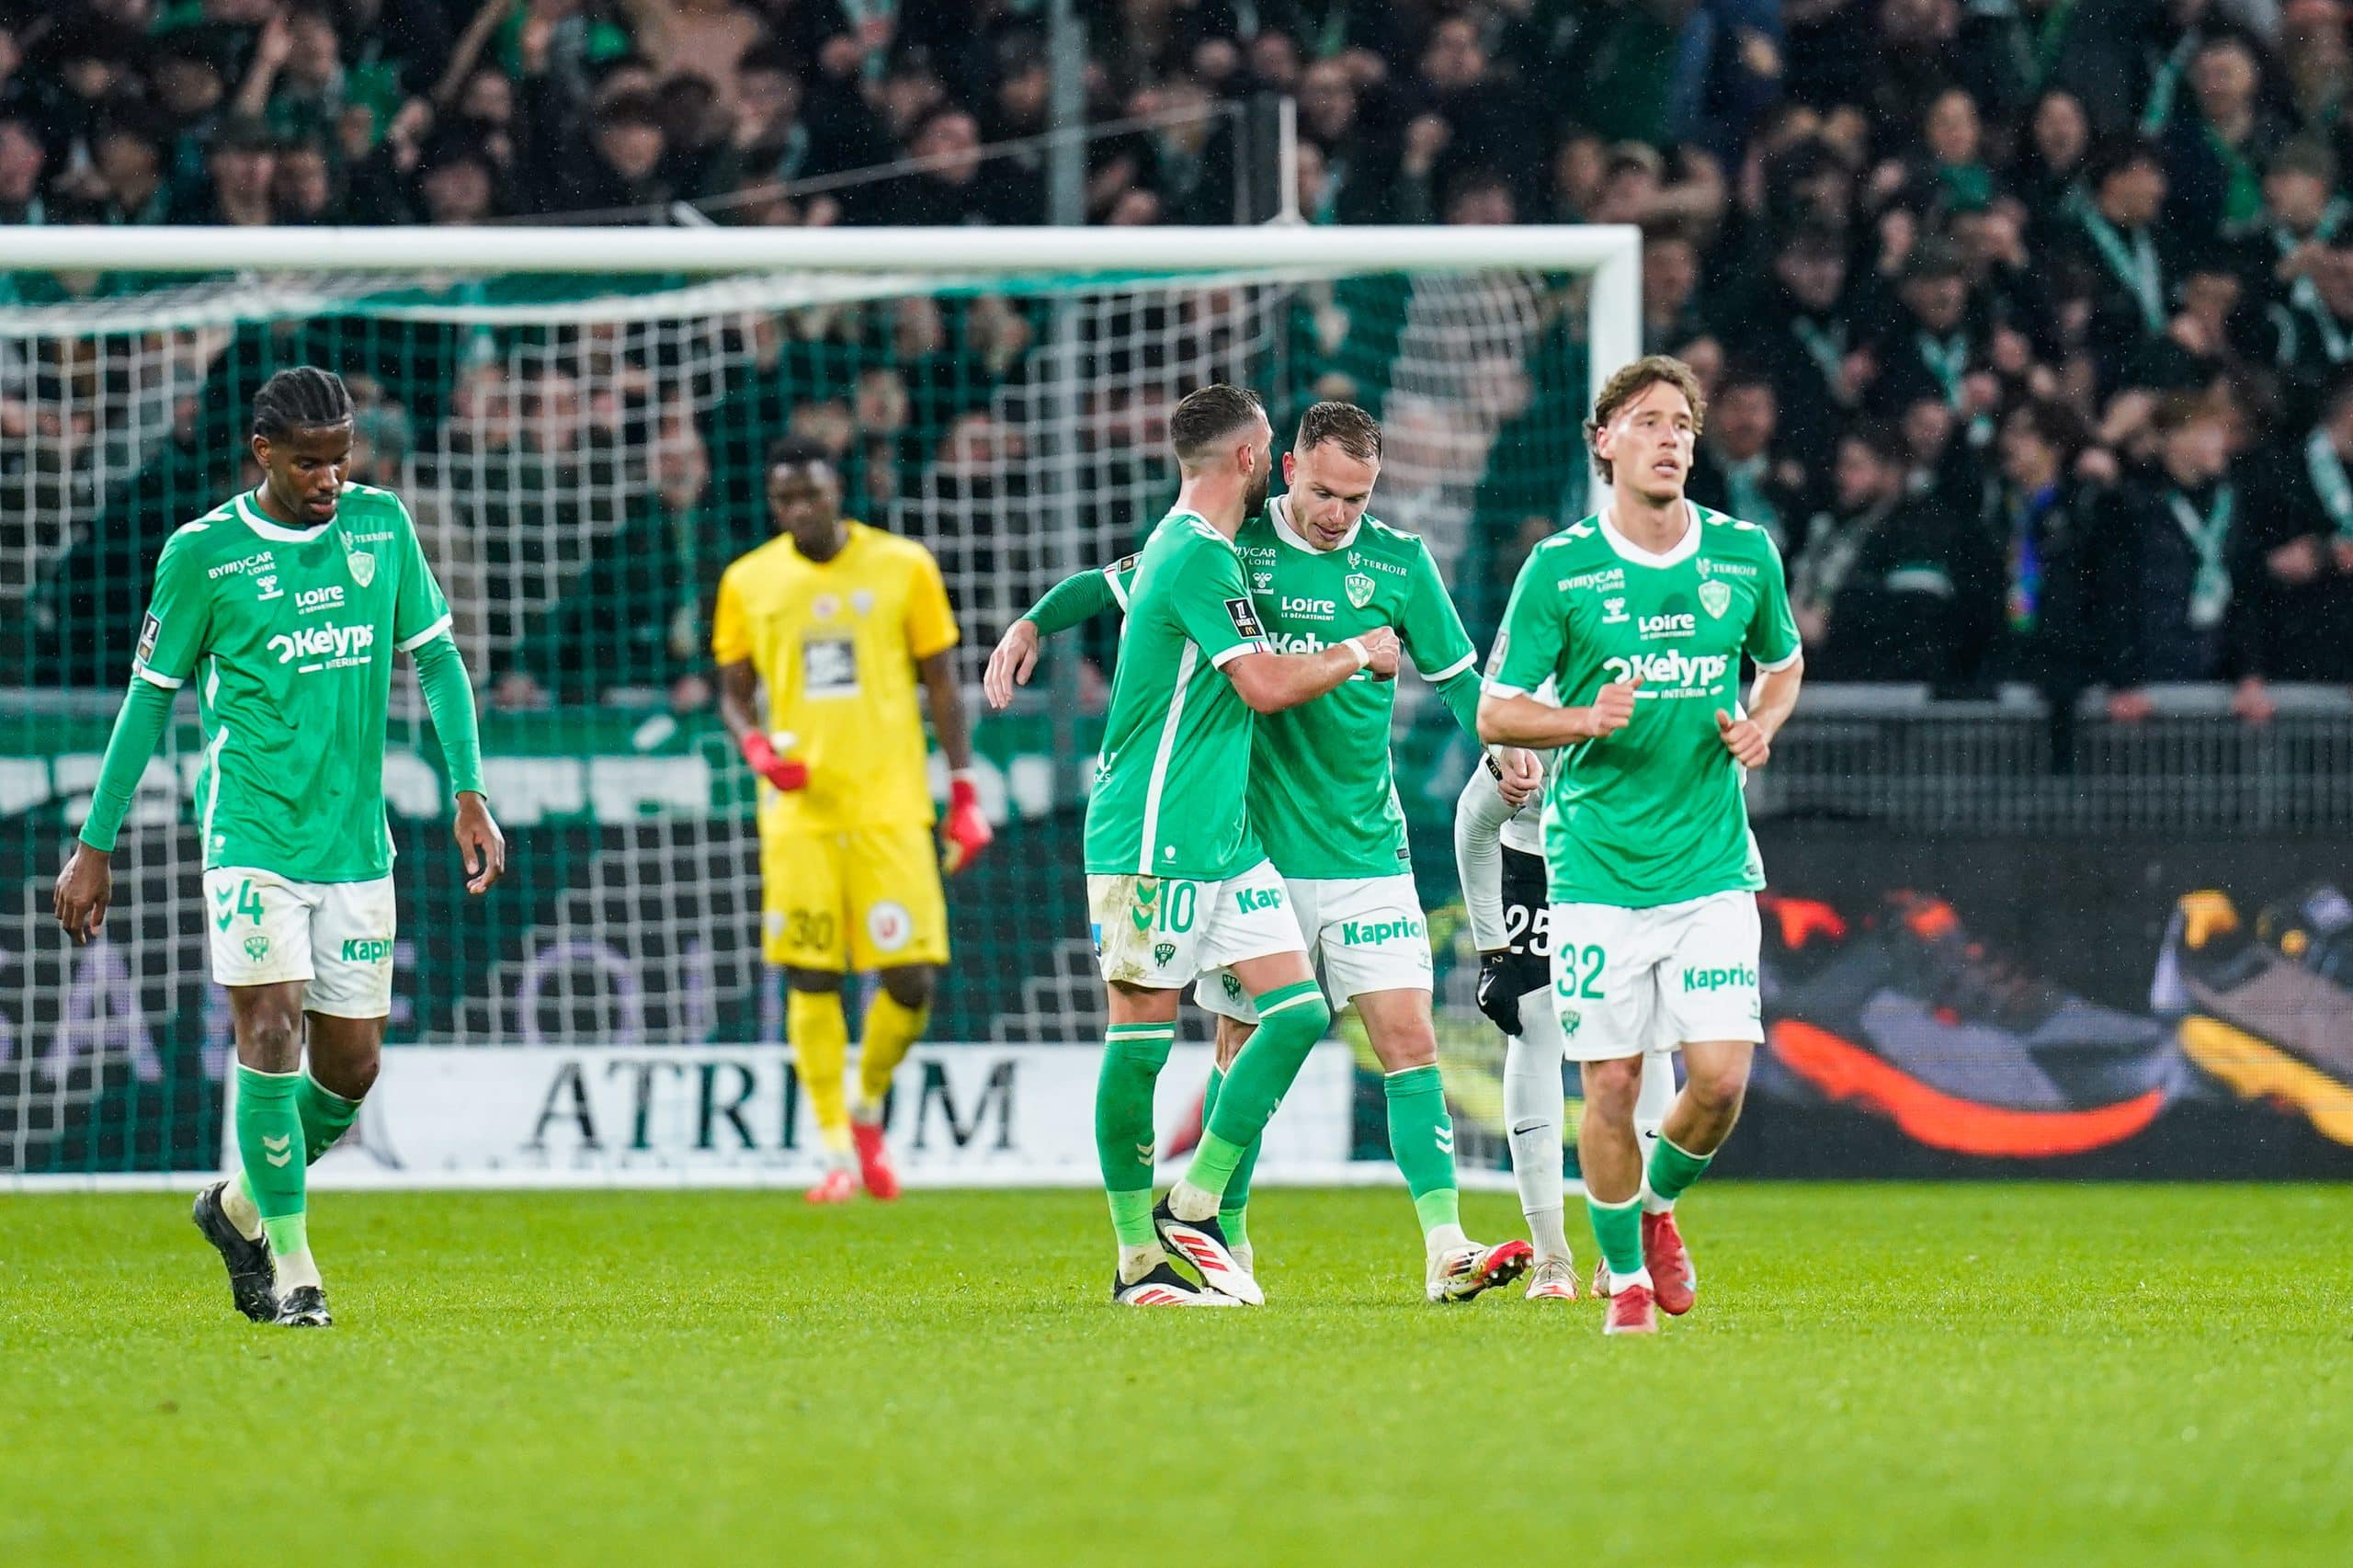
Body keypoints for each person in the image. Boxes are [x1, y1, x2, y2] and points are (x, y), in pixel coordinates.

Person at [987, 401, 1537, 1303]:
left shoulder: (1398, 562)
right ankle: (1208, 1237)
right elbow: (1115, 584)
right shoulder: (1227, 545)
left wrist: (1501, 739)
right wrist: (1032, 623)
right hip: (1251, 842)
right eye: (1323, 491)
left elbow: (1459, 680)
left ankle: (1443, 1245)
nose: (1337, 513)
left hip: (1366, 844)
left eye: (1356, 498)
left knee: (1408, 1040)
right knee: (1237, 1049)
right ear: (1281, 467)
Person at [51, 367, 504, 1329]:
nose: (331, 479)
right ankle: (295, 1265)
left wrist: (469, 788)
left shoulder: (382, 528)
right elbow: (147, 702)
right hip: (251, 833)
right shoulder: (204, 555)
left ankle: (239, 1207)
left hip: (354, 842)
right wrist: (96, 842)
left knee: (351, 1067)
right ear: (263, 453)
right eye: (311, 464)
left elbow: (436, 658)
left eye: (342, 459)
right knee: (268, 1032)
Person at [1477, 354, 1805, 1336]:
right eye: (1650, 422)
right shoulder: (1560, 567)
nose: (1671, 439)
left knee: (1718, 1081)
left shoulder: (1744, 555)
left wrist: (1762, 723)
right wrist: (1580, 718)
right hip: (1596, 870)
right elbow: (1496, 710)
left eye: (1683, 426)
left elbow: (1782, 665)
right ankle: (1624, 1281)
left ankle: (1656, 1205)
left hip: (1708, 865)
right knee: (1612, 1081)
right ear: (1604, 441)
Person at [1062, 383, 1399, 1308]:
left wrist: (1025, 624)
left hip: (1225, 836)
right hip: (1151, 837)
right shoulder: (1196, 557)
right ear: (1255, 458)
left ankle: (1196, 1199)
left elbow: (1099, 581)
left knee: (1295, 1013)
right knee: (1137, 1047)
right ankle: (1136, 1258)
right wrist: (1354, 652)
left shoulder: (1195, 551)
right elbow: (1259, 685)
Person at [711, 437, 992, 1205]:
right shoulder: (749, 581)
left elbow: (942, 681)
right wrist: (757, 746)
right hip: (800, 815)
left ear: (838, 493)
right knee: (812, 972)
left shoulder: (904, 567)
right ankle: (835, 1144)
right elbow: (732, 691)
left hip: (891, 806)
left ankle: (867, 1102)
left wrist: (963, 790)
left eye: (812, 494)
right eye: (786, 499)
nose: (801, 509)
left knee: (911, 977)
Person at [1453, 727, 1678, 1302]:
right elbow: (1473, 824)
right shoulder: (1536, 724)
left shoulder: (1676, 713)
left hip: (1631, 874)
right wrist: (1493, 952)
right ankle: (1552, 1257)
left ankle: (1629, 1249)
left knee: (1646, 1043)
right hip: (1537, 872)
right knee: (1536, 1033)